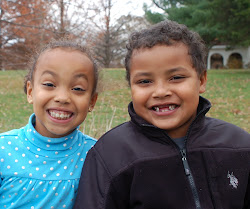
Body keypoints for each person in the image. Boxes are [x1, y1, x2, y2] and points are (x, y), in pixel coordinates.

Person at [74, 20, 250, 209]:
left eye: (176, 78)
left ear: (201, 80)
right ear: (131, 87)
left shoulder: (238, 146)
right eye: (145, 81)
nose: (160, 91)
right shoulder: (110, 155)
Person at [0, 39, 98, 208]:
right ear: (30, 92)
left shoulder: (95, 156)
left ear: (92, 101)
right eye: (49, 84)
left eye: (78, 89)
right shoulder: (3, 149)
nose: (62, 97)